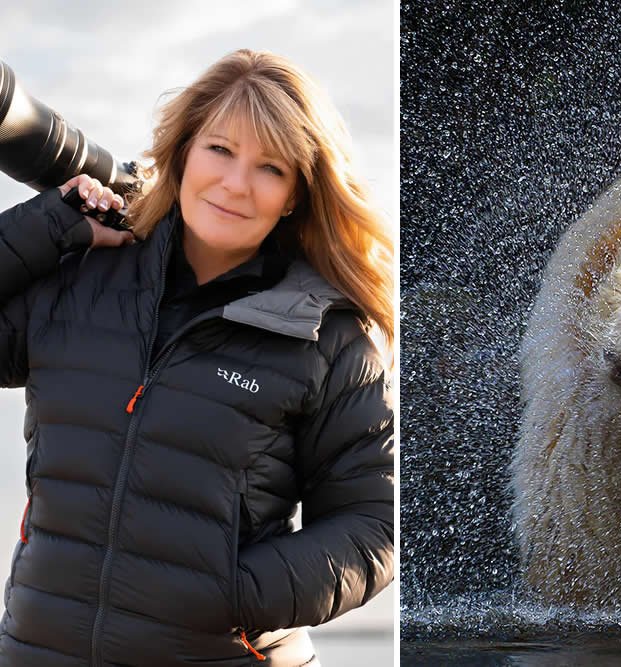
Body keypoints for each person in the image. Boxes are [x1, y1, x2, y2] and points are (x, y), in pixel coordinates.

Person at [0, 50, 395, 666]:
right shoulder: (81, 278)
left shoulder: (329, 334)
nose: (236, 184)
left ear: (295, 194)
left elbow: (373, 526)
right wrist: (48, 226)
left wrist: (231, 596)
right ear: (182, 152)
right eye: (219, 150)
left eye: (270, 167)